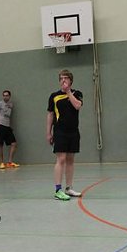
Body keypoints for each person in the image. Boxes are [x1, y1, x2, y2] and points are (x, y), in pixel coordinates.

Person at [46, 69, 83, 201]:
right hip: (59, 131)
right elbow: (50, 114)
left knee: (70, 160)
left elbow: (77, 106)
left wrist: (68, 92)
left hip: (73, 131)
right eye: (61, 78)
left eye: (66, 78)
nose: (63, 80)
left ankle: (69, 188)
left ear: (71, 81)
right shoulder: (54, 96)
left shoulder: (77, 93)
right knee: (61, 159)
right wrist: (48, 132)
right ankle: (58, 190)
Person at [0, 90, 19, 169]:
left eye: (7, 95)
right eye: (4, 95)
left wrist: (10, 126)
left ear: (9, 96)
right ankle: (1, 163)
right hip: (0, 125)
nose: (5, 97)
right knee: (0, 144)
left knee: (13, 143)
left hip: (7, 126)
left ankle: (10, 162)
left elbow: (8, 116)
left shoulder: (11, 104)